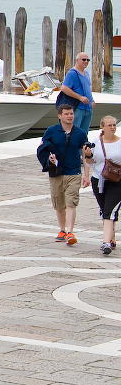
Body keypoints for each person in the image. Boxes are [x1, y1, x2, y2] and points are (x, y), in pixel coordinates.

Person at [39, 106, 91, 246]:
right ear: (59, 116)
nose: (70, 116)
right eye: (66, 114)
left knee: (71, 203)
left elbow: (85, 155)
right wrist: (49, 159)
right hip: (57, 172)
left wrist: (87, 175)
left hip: (74, 172)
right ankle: (62, 230)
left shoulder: (80, 133)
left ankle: (70, 231)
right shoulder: (51, 131)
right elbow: (42, 148)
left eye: (71, 113)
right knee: (59, 203)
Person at [94, 116, 121, 257]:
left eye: (114, 125)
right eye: (109, 125)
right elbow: (89, 162)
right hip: (98, 180)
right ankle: (111, 236)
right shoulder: (95, 142)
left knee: (109, 210)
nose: (112, 127)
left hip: (117, 181)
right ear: (102, 127)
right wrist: (88, 155)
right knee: (105, 209)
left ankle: (106, 243)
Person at [60, 52, 95, 125]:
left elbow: (87, 88)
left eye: (88, 60)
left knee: (84, 131)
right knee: (75, 130)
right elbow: (64, 88)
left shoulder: (86, 73)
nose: (86, 61)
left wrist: (92, 100)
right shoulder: (72, 73)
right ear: (77, 60)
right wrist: (80, 98)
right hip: (78, 107)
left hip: (88, 108)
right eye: (84, 59)